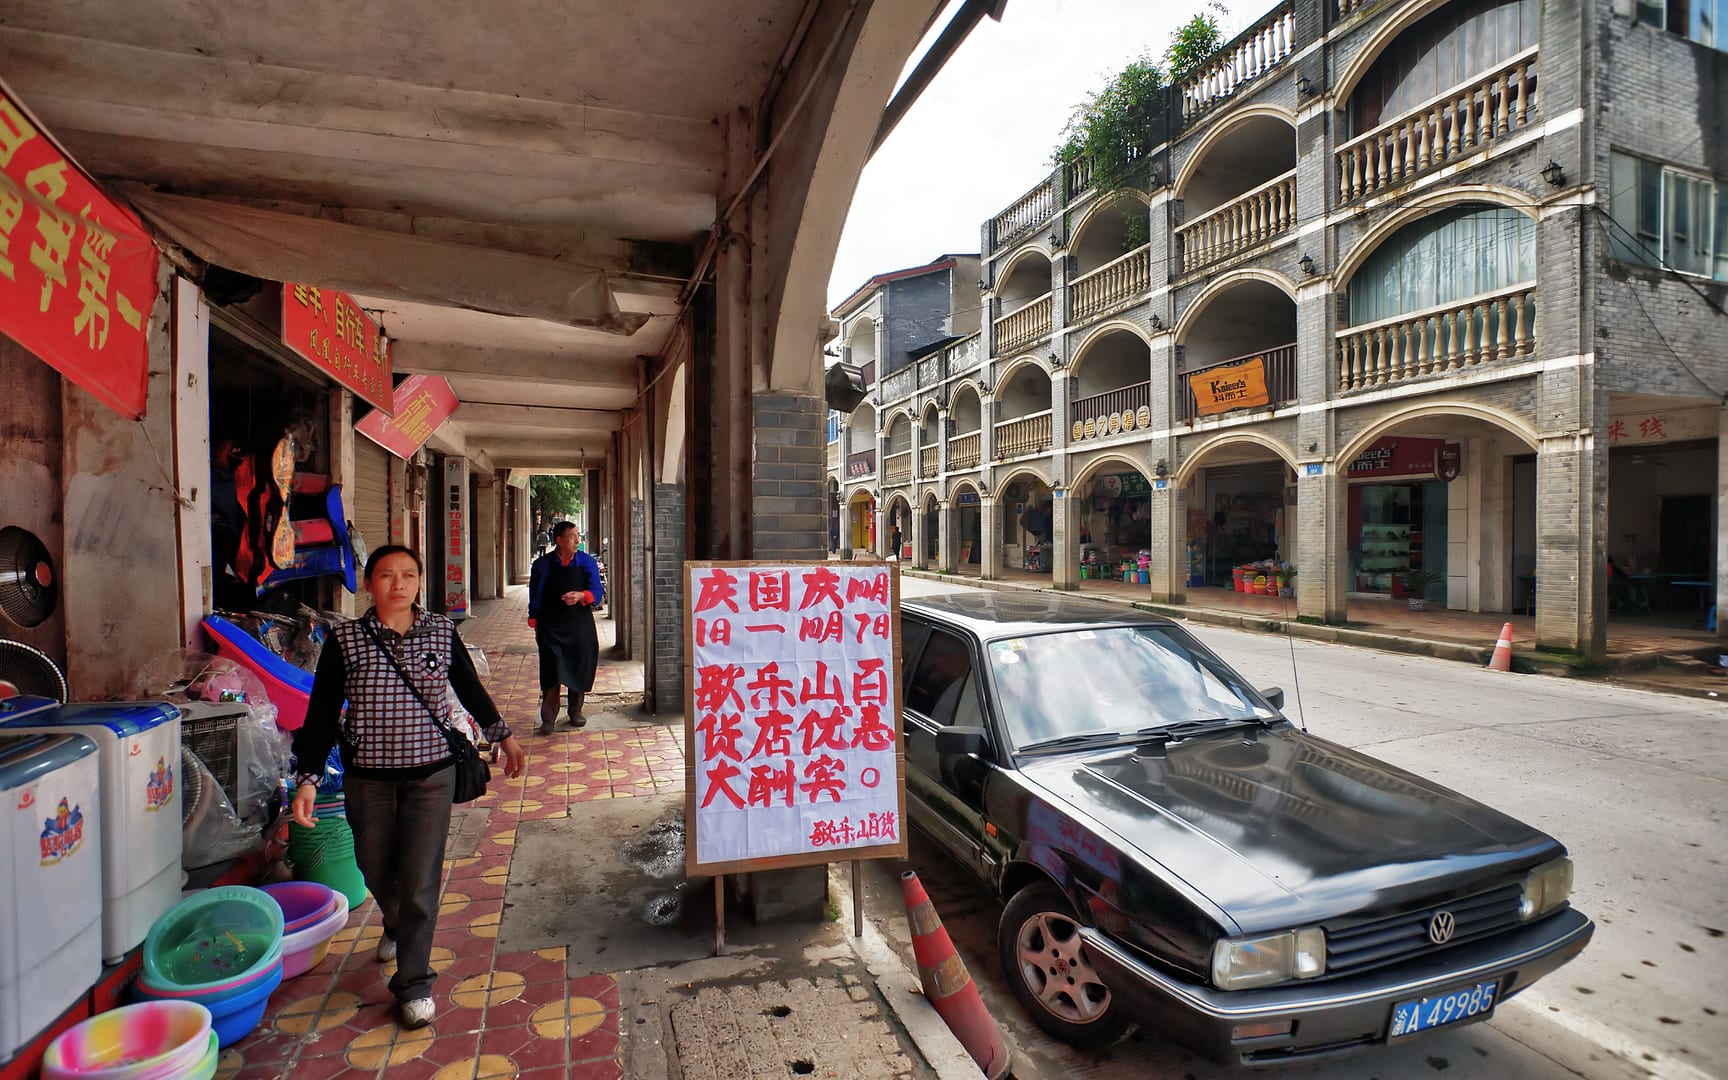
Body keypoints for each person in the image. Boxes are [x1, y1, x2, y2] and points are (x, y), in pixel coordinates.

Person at [289, 546, 525, 1030]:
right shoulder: (346, 639)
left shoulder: (441, 630)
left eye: (408, 574)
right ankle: (394, 922)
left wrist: (504, 736)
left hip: (431, 775)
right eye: (386, 575)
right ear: (369, 583)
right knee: (375, 866)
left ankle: (414, 982)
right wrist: (308, 778)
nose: (398, 584)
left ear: (421, 581)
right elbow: (322, 711)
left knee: (420, 879)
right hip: (367, 778)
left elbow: (469, 688)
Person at [528, 521, 605, 734]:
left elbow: (597, 592)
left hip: (579, 624)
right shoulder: (542, 565)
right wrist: (533, 618)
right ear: (559, 540)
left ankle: (575, 711)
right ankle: (548, 717)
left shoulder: (586, 562)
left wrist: (581, 596)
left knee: (579, 665)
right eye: (572, 536)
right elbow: (536, 593)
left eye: (577, 535)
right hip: (550, 625)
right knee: (552, 669)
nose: (577, 540)